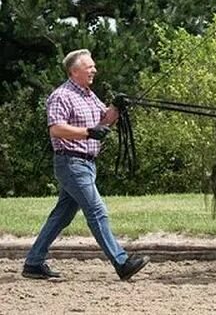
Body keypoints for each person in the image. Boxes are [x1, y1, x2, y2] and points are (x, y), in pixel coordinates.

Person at [22, 49, 149, 281]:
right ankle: (121, 262)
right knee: (97, 210)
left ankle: (33, 262)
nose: (94, 70)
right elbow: (56, 128)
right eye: (89, 67)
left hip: (87, 164)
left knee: (61, 216)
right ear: (75, 71)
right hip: (71, 162)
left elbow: (105, 120)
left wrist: (117, 107)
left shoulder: (89, 95)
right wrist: (87, 132)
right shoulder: (61, 96)